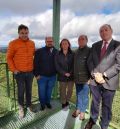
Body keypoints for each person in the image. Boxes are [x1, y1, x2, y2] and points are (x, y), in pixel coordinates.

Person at [85, 24, 120, 129]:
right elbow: (89, 61)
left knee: (107, 106)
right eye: (101, 31)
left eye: (106, 30)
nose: (103, 32)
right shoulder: (95, 45)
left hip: (109, 82)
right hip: (95, 81)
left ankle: (104, 125)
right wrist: (95, 75)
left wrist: (104, 75)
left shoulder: (118, 45)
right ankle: (92, 120)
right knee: (94, 103)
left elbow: (118, 64)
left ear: (111, 31)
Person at [7, 24, 35, 119]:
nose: (24, 35)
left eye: (26, 33)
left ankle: (29, 105)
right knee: (20, 91)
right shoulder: (13, 43)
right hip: (19, 73)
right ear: (18, 33)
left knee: (29, 90)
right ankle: (21, 108)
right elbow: (9, 58)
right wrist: (14, 69)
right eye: (22, 33)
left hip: (30, 72)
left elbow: (34, 54)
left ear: (28, 33)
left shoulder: (32, 43)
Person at [33, 36, 57, 110]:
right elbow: (35, 63)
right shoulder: (39, 51)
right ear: (45, 42)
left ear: (53, 42)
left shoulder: (56, 51)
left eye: (51, 41)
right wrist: (36, 75)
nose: (49, 43)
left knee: (49, 91)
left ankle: (47, 102)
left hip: (52, 76)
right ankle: (42, 104)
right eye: (48, 41)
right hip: (42, 77)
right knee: (42, 92)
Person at [72, 35, 90, 120]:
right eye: (79, 39)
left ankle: (82, 112)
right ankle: (78, 109)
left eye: (83, 39)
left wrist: (90, 78)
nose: (81, 41)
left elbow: (92, 65)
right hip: (77, 78)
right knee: (78, 94)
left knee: (85, 96)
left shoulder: (90, 51)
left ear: (86, 40)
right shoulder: (75, 52)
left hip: (86, 79)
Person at [55, 39, 74, 109]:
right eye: (63, 44)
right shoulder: (58, 54)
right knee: (62, 90)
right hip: (62, 76)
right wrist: (64, 73)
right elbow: (57, 66)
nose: (64, 45)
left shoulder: (72, 53)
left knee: (70, 90)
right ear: (61, 45)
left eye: (66, 43)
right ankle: (63, 102)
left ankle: (67, 100)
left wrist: (70, 73)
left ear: (68, 44)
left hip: (71, 76)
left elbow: (74, 64)